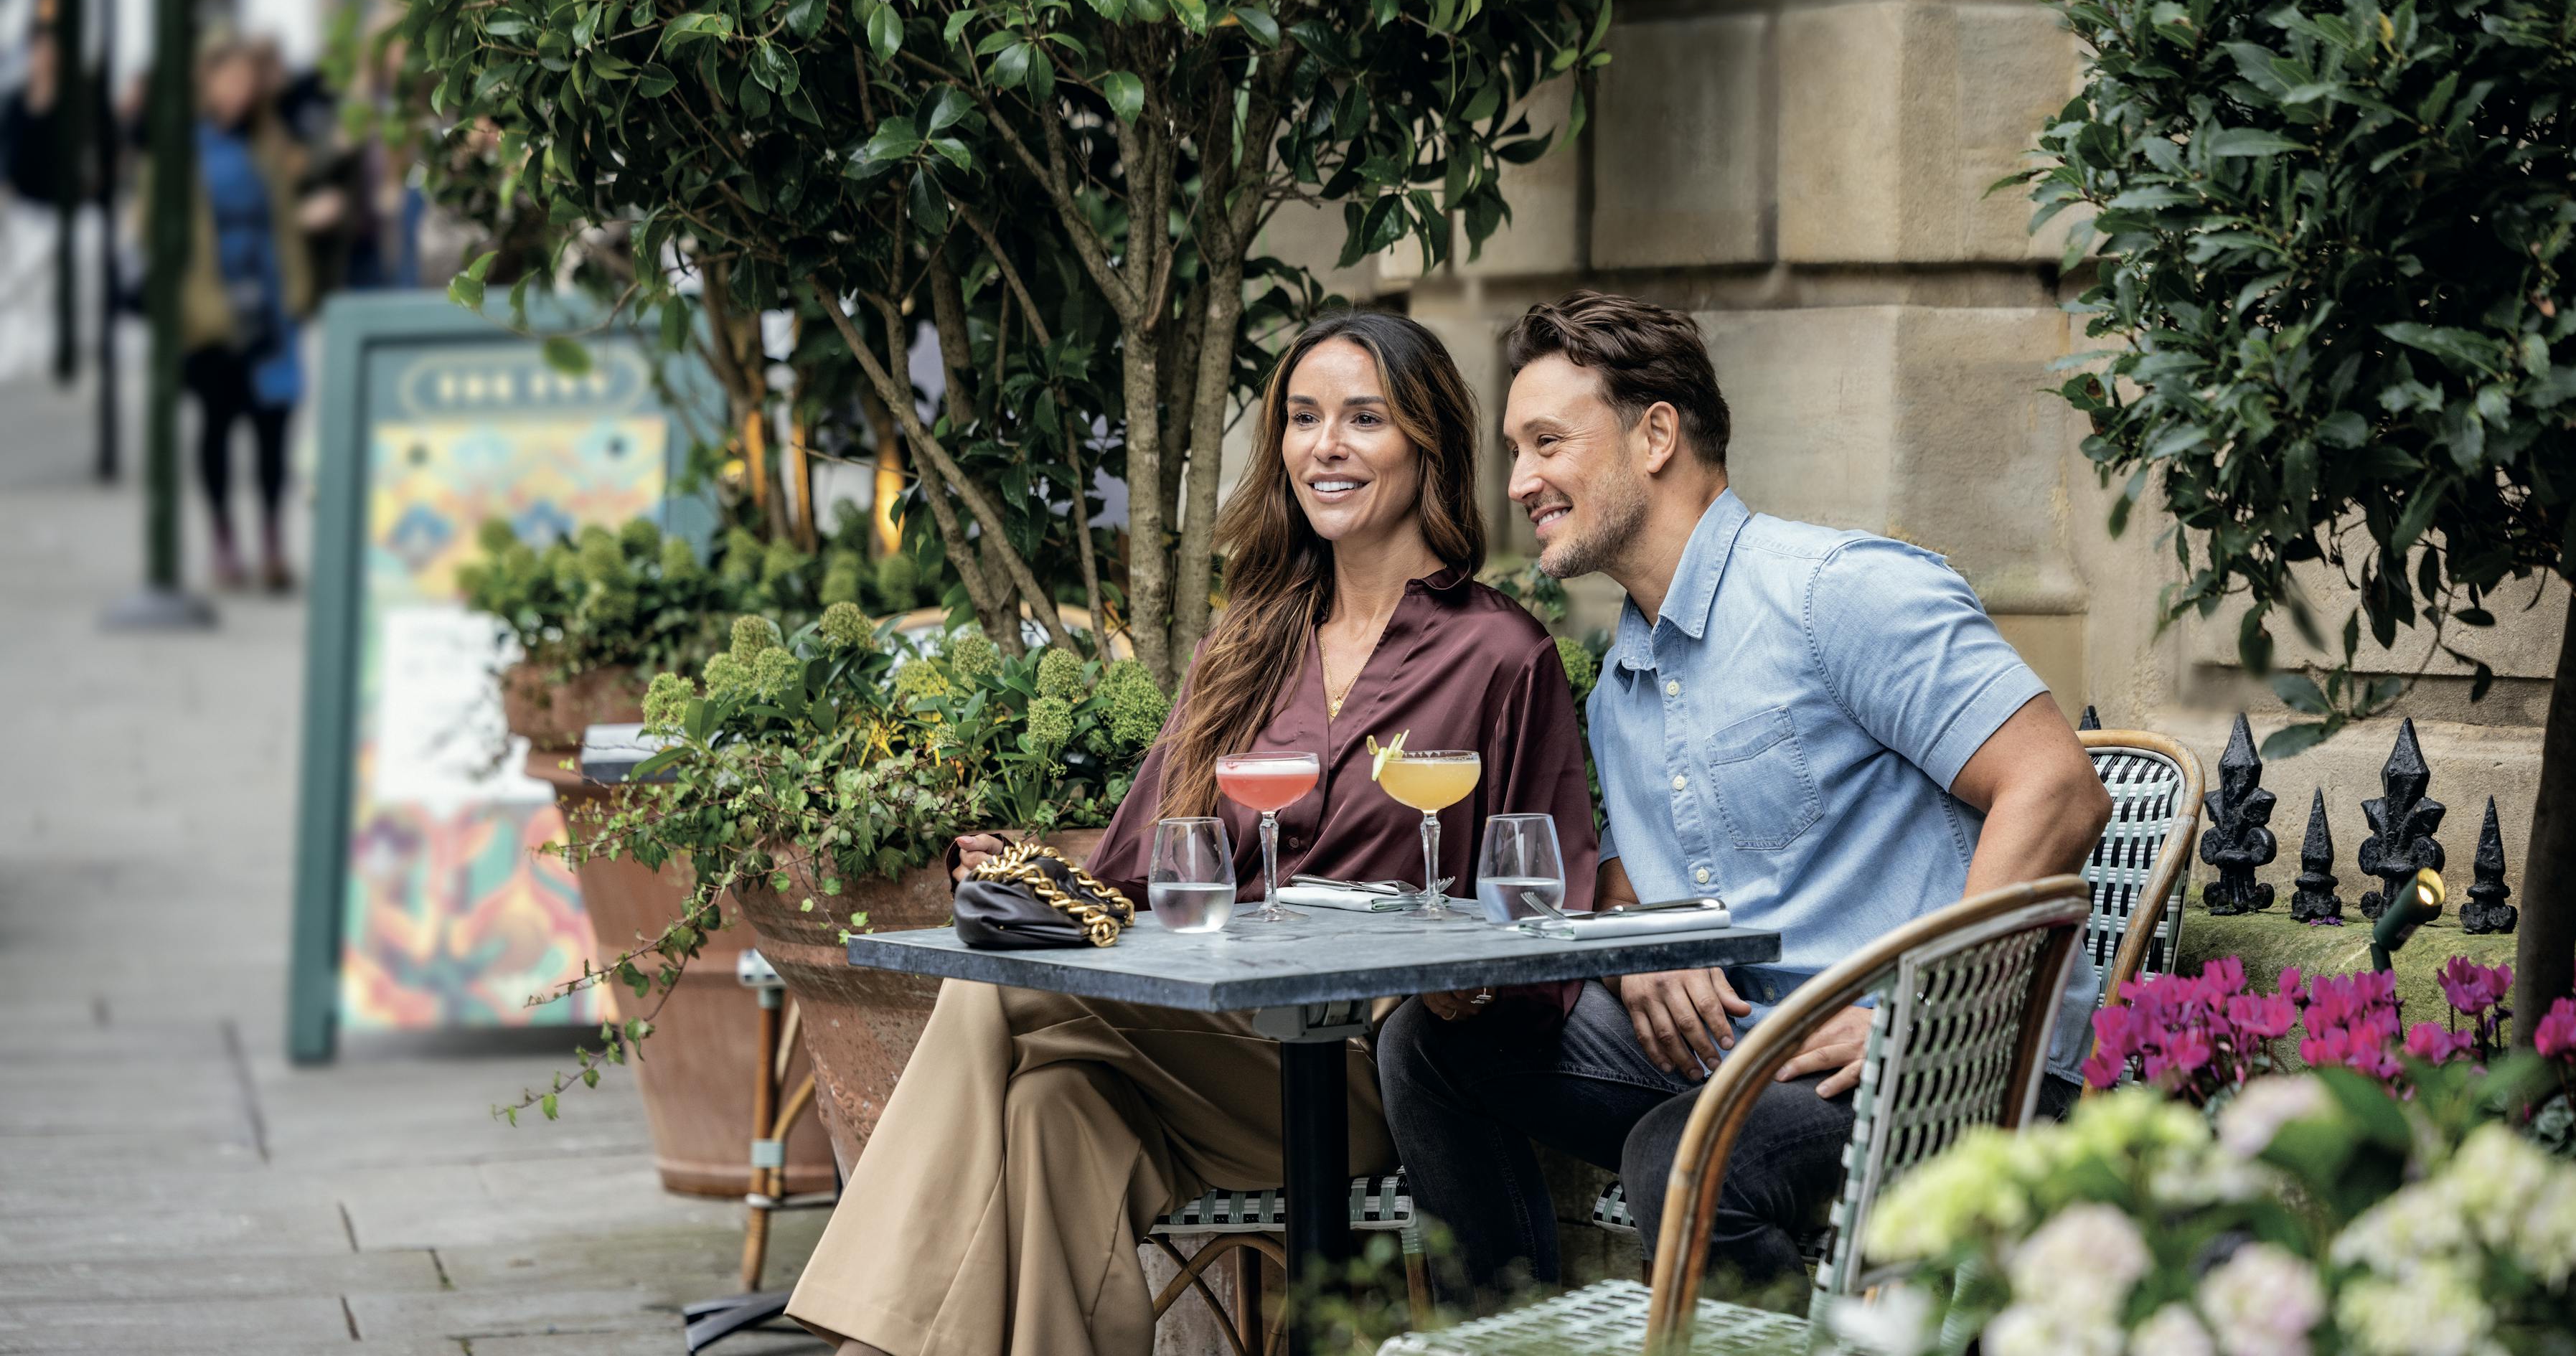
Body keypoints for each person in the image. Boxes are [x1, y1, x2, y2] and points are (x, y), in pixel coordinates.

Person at [786, 310, 1599, 1356]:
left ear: (1427, 442)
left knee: (999, 981)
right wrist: (1027, 867)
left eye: (1364, 418)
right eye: (1303, 419)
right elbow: (1137, 867)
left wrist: (1463, 979)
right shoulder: (1247, 640)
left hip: (1351, 1067)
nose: (1326, 446)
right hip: (1210, 1047)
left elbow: (1544, 907)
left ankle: (869, 1337)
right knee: (1054, 1114)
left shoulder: (1501, 654)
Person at [1378, 291, 2112, 1304]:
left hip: (1951, 1064)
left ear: (1657, 434)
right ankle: (1508, 1336)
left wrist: (1922, 1014)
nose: (1520, 481)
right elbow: (1651, 866)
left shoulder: (1833, 591)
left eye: (1547, 441)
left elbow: (2057, 785)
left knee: (1684, 1153)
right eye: (1513, 449)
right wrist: (1643, 949)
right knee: (1433, 1040)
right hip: (1754, 1044)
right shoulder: (1623, 685)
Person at [180, 36, 329, 592]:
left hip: (268, 301)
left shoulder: (271, 140)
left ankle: (271, 539)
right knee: (217, 427)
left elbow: (285, 221)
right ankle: (223, 537)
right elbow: (162, 229)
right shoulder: (186, 146)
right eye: (230, 78)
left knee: (274, 426)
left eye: (248, 79)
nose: (240, 90)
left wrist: (296, 290)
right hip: (211, 305)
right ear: (209, 81)